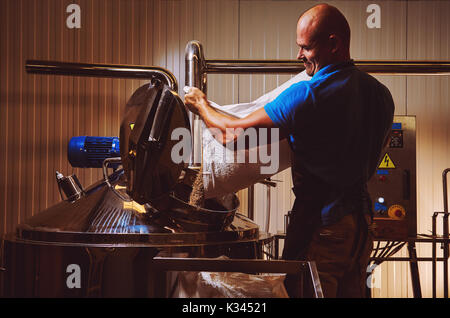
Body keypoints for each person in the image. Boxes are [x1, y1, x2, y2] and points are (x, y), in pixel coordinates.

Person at [184, 3, 394, 298]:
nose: (299, 55)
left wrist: (200, 104)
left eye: (306, 47)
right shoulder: (380, 94)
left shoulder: (309, 95)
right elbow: (378, 145)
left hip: (322, 227)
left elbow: (232, 135)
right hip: (359, 226)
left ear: (333, 44)